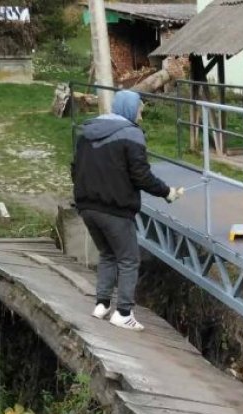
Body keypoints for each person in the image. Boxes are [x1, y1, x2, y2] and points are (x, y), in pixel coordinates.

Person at [71, 90, 184, 331]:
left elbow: (74, 168)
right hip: (115, 209)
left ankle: (101, 304)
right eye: (139, 110)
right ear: (129, 109)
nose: (140, 116)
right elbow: (141, 175)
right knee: (129, 259)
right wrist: (167, 192)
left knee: (108, 254)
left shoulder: (87, 131)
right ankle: (123, 312)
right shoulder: (131, 134)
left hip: (87, 206)